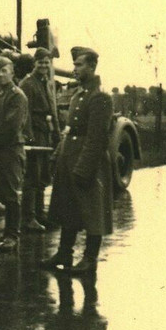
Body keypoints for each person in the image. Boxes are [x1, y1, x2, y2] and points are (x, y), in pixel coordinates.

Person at [41, 46, 114, 275]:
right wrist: (59, 155)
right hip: (69, 159)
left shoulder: (99, 97)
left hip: (87, 163)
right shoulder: (79, 95)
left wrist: (84, 168)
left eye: (79, 65)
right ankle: (64, 253)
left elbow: (96, 138)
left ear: (92, 67)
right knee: (68, 209)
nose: (75, 69)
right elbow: (69, 130)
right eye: (74, 65)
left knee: (93, 211)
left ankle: (90, 258)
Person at [0, 55, 30, 252]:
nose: (1, 74)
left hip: (11, 149)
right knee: (3, 191)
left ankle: (12, 235)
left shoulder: (17, 95)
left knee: (11, 194)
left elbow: (11, 127)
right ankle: (6, 234)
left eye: (5, 70)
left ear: (12, 73)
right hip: (1, 148)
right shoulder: (0, 94)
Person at [18, 47, 60, 232]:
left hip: (45, 134)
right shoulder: (28, 83)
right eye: (40, 62)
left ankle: (39, 214)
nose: (44, 65)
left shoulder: (47, 82)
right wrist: (29, 137)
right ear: (34, 63)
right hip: (34, 134)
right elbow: (24, 114)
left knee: (43, 176)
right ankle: (28, 218)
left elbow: (53, 110)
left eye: (46, 62)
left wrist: (56, 134)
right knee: (32, 177)